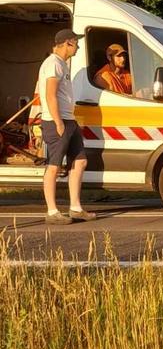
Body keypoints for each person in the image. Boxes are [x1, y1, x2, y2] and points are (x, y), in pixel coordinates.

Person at [37, 28, 96, 225]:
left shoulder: (63, 64)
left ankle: (76, 208)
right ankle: (52, 211)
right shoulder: (53, 64)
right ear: (68, 43)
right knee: (54, 166)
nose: (78, 46)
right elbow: (50, 94)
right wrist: (58, 122)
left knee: (80, 161)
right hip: (57, 121)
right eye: (76, 43)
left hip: (68, 119)